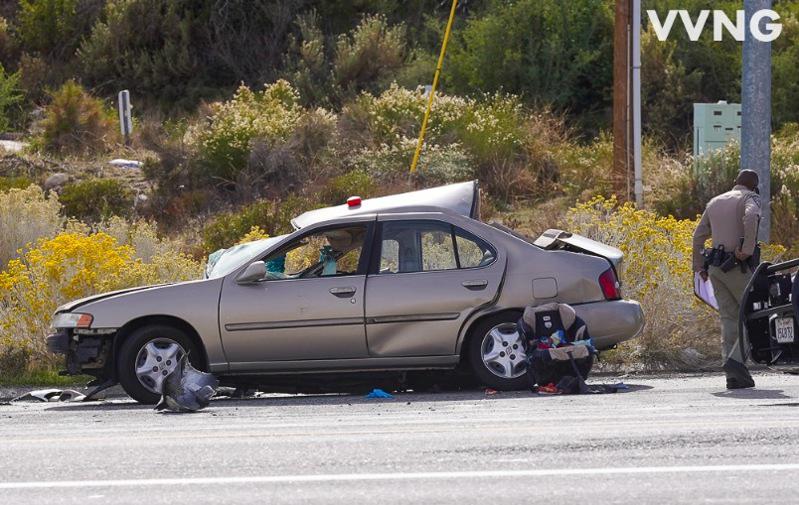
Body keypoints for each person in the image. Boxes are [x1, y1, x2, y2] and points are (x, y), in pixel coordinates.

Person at [692, 169, 762, 389]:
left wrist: (698, 266)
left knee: (729, 319)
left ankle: (733, 375)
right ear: (754, 186)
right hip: (737, 267)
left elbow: (698, 236)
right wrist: (747, 250)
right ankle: (735, 363)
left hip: (715, 269)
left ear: (735, 182)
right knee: (750, 315)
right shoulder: (751, 198)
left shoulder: (714, 201)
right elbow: (751, 217)